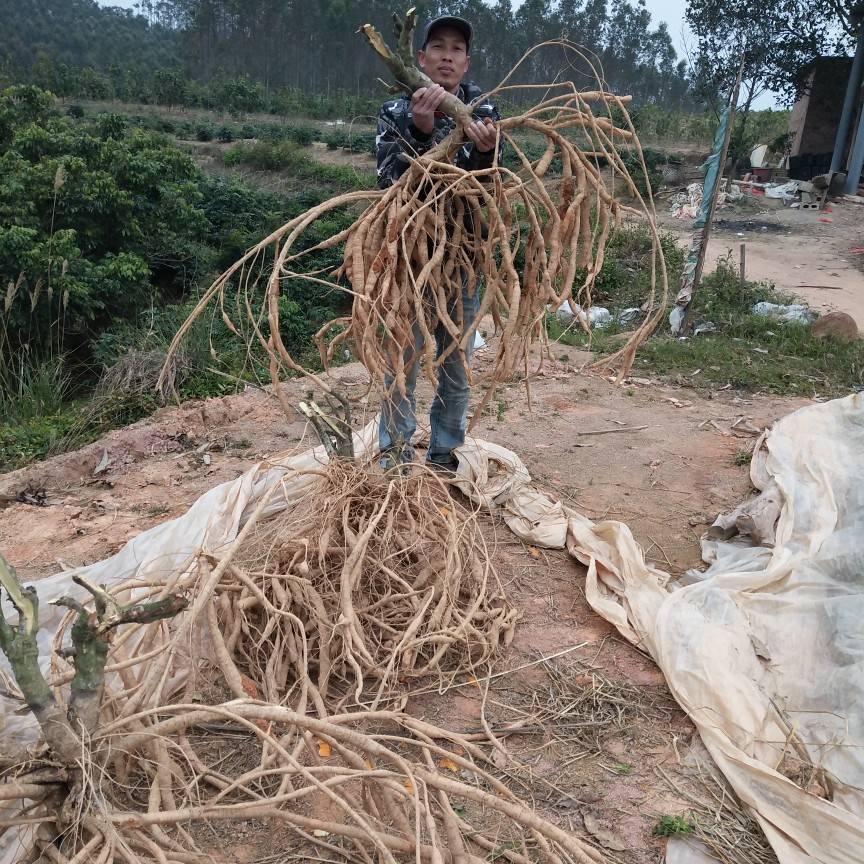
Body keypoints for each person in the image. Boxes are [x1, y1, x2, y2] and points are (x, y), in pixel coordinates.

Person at [375, 14, 501, 473]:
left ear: (466, 62)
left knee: (457, 366)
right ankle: (393, 458)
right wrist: (421, 131)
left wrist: (486, 152)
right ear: (421, 57)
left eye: (457, 49)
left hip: (463, 256)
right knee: (400, 361)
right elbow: (391, 184)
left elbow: (488, 189)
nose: (448, 55)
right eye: (438, 47)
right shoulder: (396, 111)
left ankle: (446, 455)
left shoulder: (483, 113)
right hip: (408, 256)